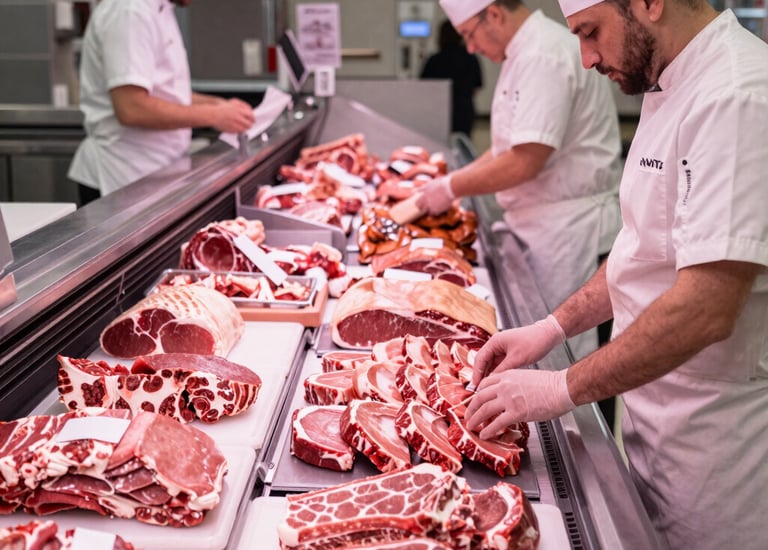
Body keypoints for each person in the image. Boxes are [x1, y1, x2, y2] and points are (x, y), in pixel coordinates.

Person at [464, 0, 768, 548]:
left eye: (590, 32)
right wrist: (552, 328)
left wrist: (563, 386)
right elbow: (641, 249)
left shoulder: (736, 95)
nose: (584, 58)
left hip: (718, 451)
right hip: (655, 422)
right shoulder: (667, 81)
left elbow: (707, 307)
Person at [417, 0, 623, 361]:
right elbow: (505, 147)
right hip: (543, 226)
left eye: (470, 34)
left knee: (571, 361)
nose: (470, 47)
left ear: (494, 14)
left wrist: (452, 187)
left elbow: (526, 160)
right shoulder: (524, 53)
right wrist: (453, 179)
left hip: (570, 234)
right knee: (545, 352)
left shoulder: (543, 55)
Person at [69, 0, 255, 204]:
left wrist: (217, 105)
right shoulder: (130, 10)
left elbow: (166, 92)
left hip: (153, 172)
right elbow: (131, 108)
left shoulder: (158, 8)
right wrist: (214, 116)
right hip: (121, 177)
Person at [420, 19, 483, 136]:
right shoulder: (471, 59)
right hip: (464, 110)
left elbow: (424, 88)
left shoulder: (435, 60)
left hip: (438, 111)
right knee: (462, 145)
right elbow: (476, 87)